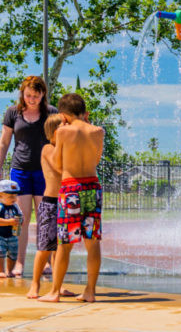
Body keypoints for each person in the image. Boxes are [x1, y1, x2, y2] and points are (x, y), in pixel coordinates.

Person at [38, 93, 104, 303]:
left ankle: (55, 292)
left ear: (64, 115)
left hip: (71, 188)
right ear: (84, 112)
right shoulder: (98, 131)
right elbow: (96, 159)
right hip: (93, 188)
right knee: (92, 242)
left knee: (65, 244)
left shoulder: (63, 131)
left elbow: (58, 165)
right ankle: (90, 292)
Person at [0, 75, 58, 276]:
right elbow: (4, 142)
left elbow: (58, 142)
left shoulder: (51, 113)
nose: (32, 99)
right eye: (28, 95)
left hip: (45, 172)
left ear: (43, 94)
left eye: (36, 95)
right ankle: (19, 263)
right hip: (20, 171)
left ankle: (47, 261)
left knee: (45, 219)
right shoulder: (12, 113)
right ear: (22, 94)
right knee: (21, 219)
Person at [27, 114, 75, 299]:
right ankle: (35, 284)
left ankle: (58, 284)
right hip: (50, 203)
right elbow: (58, 166)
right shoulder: (48, 148)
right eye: (65, 129)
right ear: (56, 132)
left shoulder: (64, 149)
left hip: (64, 202)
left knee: (61, 246)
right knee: (45, 247)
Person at [0, 180, 23, 277]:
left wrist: (21, 221)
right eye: (10, 196)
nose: (14, 198)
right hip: (0, 236)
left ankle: (9, 271)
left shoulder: (15, 207)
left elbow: (21, 216)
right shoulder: (0, 207)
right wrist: (9, 222)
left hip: (12, 235)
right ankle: (1, 270)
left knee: (13, 254)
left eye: (15, 195)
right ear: (0, 196)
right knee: (0, 253)